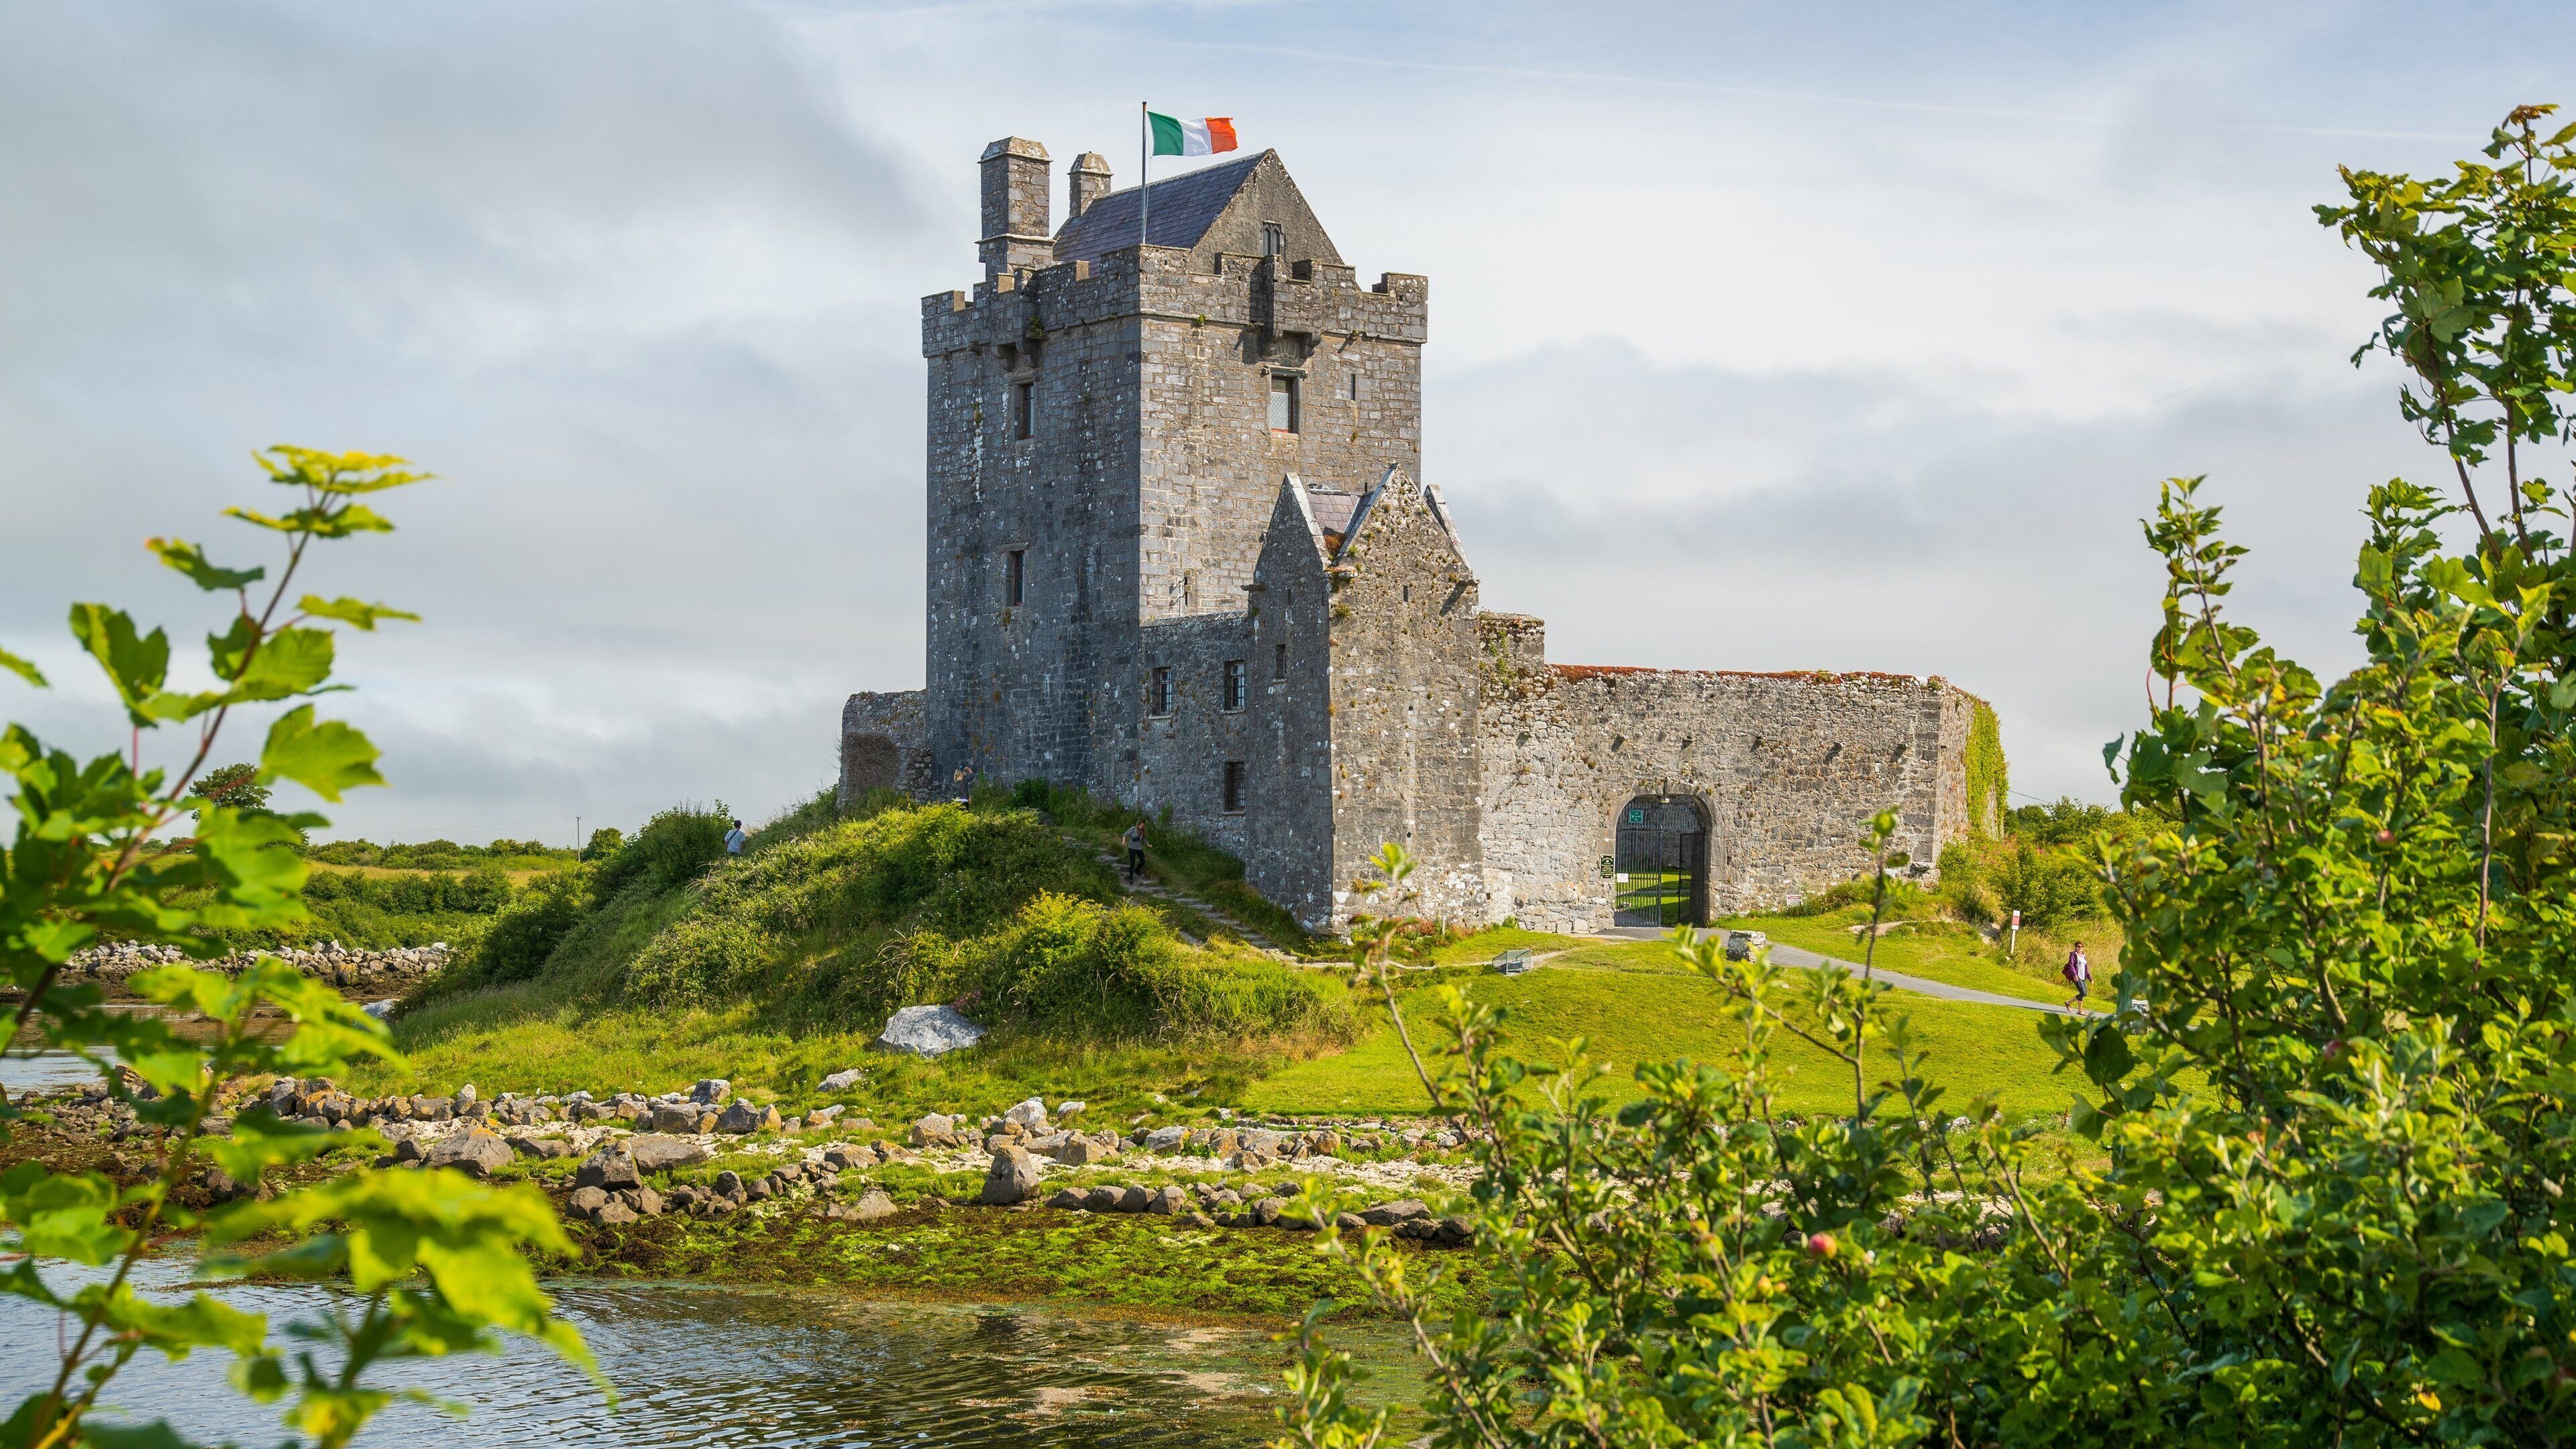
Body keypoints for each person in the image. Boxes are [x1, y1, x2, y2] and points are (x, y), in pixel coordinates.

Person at [2063, 941, 2091, 1011]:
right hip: (2077, 976)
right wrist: (2075, 975)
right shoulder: (2073, 955)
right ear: (2076, 947)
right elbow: (2071, 966)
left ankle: (2068, 1002)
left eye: (2082, 946)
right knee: (2082, 992)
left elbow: (2086, 968)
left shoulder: (2083, 955)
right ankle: (2080, 1010)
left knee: (2085, 994)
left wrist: (2090, 978)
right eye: (2079, 946)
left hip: (2083, 976)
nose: (2080, 948)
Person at [1122, 819, 1147, 883]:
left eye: (1143, 826)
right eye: (1140, 825)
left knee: (1143, 861)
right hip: (1132, 848)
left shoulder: (1142, 832)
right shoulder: (1133, 829)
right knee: (1132, 863)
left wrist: (1148, 844)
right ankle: (1131, 878)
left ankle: (1136, 870)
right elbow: (1125, 835)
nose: (1141, 827)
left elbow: (1144, 839)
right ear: (1138, 825)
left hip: (1139, 848)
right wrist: (1124, 841)